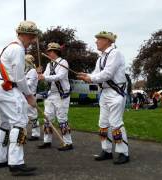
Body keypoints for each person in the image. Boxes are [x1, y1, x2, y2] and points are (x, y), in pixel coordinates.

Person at [0, 20, 39, 176]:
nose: (32, 41)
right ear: (25, 35)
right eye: (32, 37)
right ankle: (16, 163)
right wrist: (29, 96)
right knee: (19, 124)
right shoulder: (18, 49)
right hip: (8, 88)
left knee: (4, 124)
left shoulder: (8, 47)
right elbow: (19, 77)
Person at [77, 31, 130, 164]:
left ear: (107, 41)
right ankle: (106, 151)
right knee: (103, 124)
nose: (96, 42)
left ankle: (123, 153)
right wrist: (87, 76)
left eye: (99, 39)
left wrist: (90, 78)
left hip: (116, 92)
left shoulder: (115, 54)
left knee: (116, 123)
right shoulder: (100, 58)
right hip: (105, 93)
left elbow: (107, 74)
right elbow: (97, 73)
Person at [37, 42, 74, 151]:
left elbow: (60, 76)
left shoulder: (64, 63)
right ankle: (47, 141)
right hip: (50, 94)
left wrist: (44, 77)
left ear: (55, 52)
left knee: (62, 118)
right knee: (47, 118)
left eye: (50, 51)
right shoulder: (49, 64)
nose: (48, 53)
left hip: (62, 95)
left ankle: (68, 143)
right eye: (48, 51)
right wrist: (39, 74)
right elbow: (45, 76)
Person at [24, 54, 40, 141]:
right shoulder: (26, 71)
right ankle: (23, 132)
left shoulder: (33, 71)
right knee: (23, 115)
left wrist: (20, 83)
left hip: (31, 96)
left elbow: (29, 84)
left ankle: (36, 134)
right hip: (24, 96)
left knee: (33, 116)